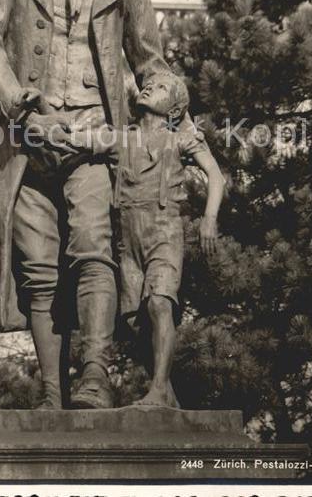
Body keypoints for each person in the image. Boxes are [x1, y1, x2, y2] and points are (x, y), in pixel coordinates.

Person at [0, 0, 170, 409]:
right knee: (36, 267)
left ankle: (96, 378)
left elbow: (151, 62)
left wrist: (166, 96)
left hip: (95, 140)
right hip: (26, 138)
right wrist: (19, 108)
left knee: (93, 249)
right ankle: (54, 397)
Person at [69, 72, 226, 407]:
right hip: (128, 239)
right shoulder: (122, 139)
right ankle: (166, 392)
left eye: (162, 88)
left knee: (158, 303)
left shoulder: (180, 139)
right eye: (149, 84)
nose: (150, 87)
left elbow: (215, 175)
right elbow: (78, 139)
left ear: (173, 109)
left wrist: (209, 218)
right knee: (133, 320)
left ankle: (157, 390)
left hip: (164, 231)